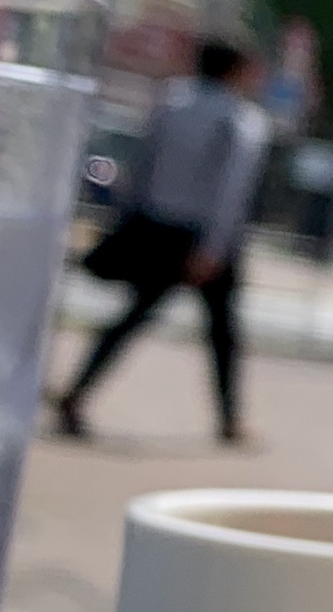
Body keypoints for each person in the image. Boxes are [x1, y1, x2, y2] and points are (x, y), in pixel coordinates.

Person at [55, 38, 270, 445]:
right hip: (203, 236)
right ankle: (229, 419)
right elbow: (231, 190)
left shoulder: (172, 101)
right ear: (235, 70)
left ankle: (77, 392)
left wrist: (128, 219)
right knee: (222, 331)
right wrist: (214, 248)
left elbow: (142, 164)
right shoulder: (241, 121)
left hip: (155, 225)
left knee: (134, 316)